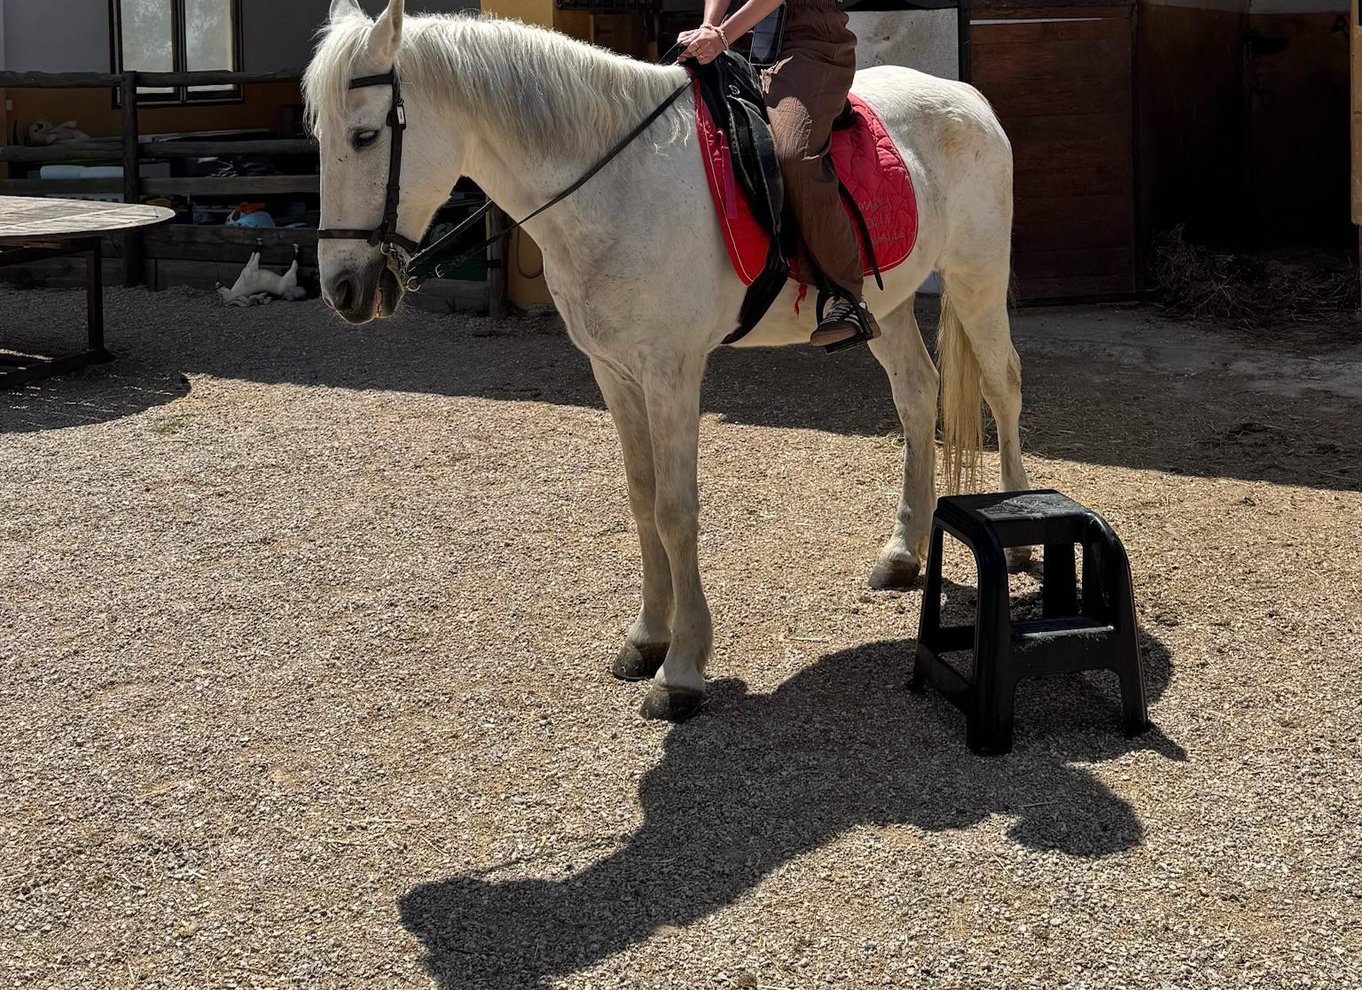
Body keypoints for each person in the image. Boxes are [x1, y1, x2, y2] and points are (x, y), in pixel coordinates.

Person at [679, 0, 879, 348]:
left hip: (812, 47)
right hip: (753, 47)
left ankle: (849, 297)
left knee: (794, 156)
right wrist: (709, 27)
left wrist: (722, 36)